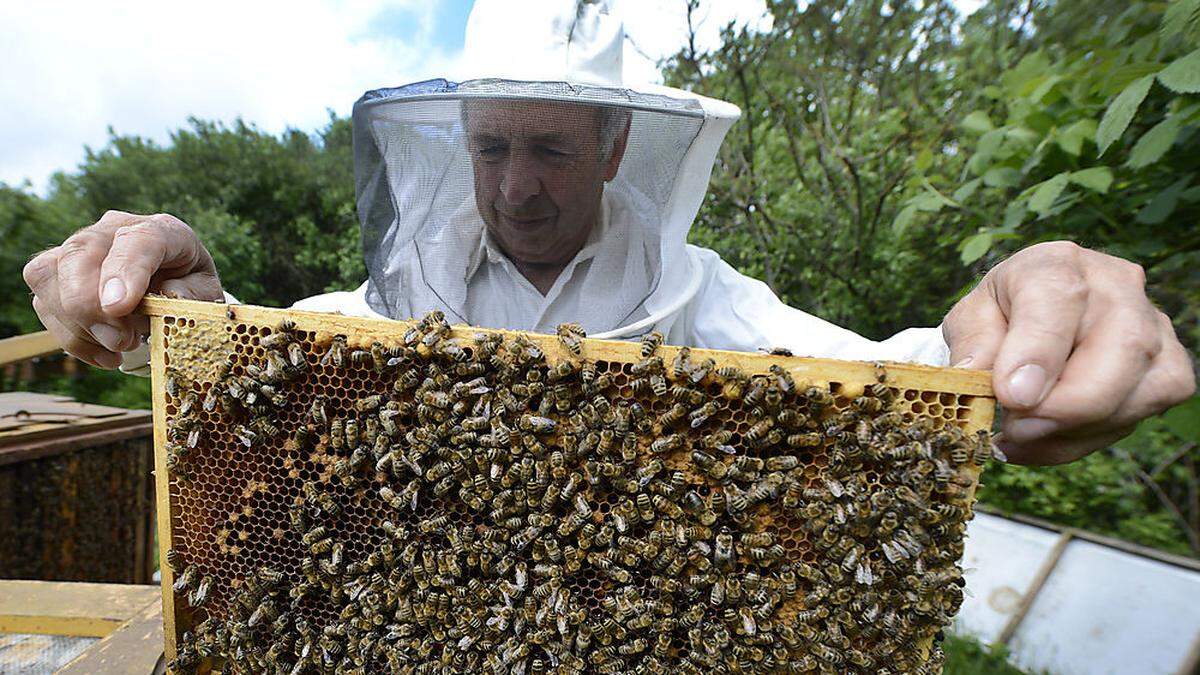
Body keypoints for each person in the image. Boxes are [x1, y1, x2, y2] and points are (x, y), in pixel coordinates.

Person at [21, 0, 1194, 468]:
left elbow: (910, 381)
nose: (517, 188)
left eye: (551, 150)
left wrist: (1028, 343)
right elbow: (292, 356)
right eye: (490, 148)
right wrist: (188, 313)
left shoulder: (716, 311)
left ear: (620, 150)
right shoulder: (396, 300)